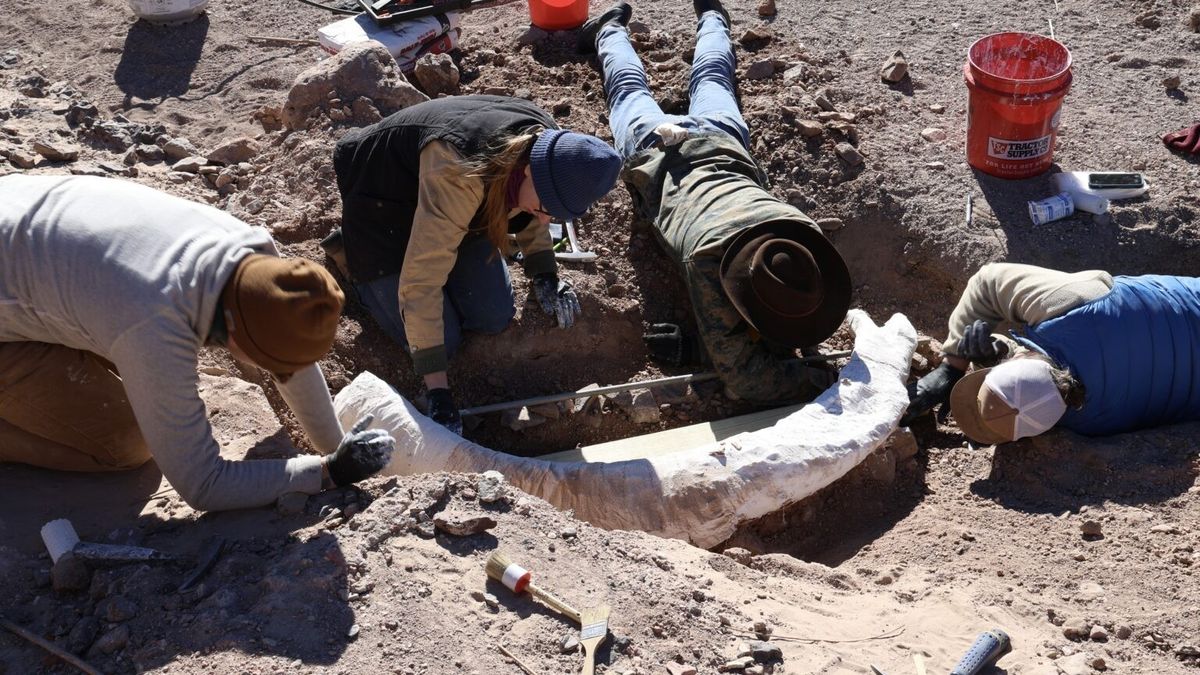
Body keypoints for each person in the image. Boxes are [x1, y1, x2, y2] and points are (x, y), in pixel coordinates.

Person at [0, 175, 394, 512]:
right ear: (234, 336)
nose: (281, 373)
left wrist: (336, 444)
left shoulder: (250, 251)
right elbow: (203, 484)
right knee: (124, 444)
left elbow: (289, 349)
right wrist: (328, 472)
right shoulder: (154, 320)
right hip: (40, 270)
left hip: (19, 210)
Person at [576, 0, 853, 405]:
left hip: (721, 140)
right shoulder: (708, 262)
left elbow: (745, 357)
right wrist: (821, 380)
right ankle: (609, 30)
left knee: (712, 78)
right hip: (657, 154)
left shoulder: (801, 233)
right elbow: (746, 380)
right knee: (627, 89)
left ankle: (708, 18)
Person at [328, 95, 623, 434]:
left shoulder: (551, 147)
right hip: (382, 209)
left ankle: (445, 246)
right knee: (445, 343)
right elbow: (422, 281)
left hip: (458, 206)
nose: (545, 222)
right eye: (544, 208)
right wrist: (438, 392)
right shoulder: (458, 166)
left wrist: (544, 271)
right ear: (528, 169)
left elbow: (537, 204)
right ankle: (352, 257)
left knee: (493, 315)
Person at [904, 262, 1200, 444]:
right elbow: (988, 280)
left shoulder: (1093, 424)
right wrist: (954, 365)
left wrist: (963, 363)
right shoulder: (1075, 305)